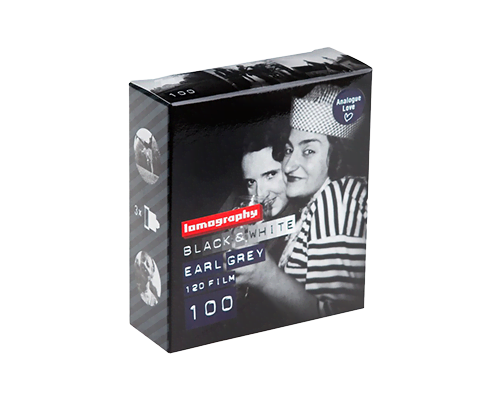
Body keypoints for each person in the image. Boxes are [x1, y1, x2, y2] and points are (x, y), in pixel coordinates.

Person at [234, 84, 368, 322]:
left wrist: (265, 275)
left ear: (338, 154)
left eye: (308, 151)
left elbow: (338, 321)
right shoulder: (318, 203)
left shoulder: (337, 198)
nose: (288, 165)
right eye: (289, 150)